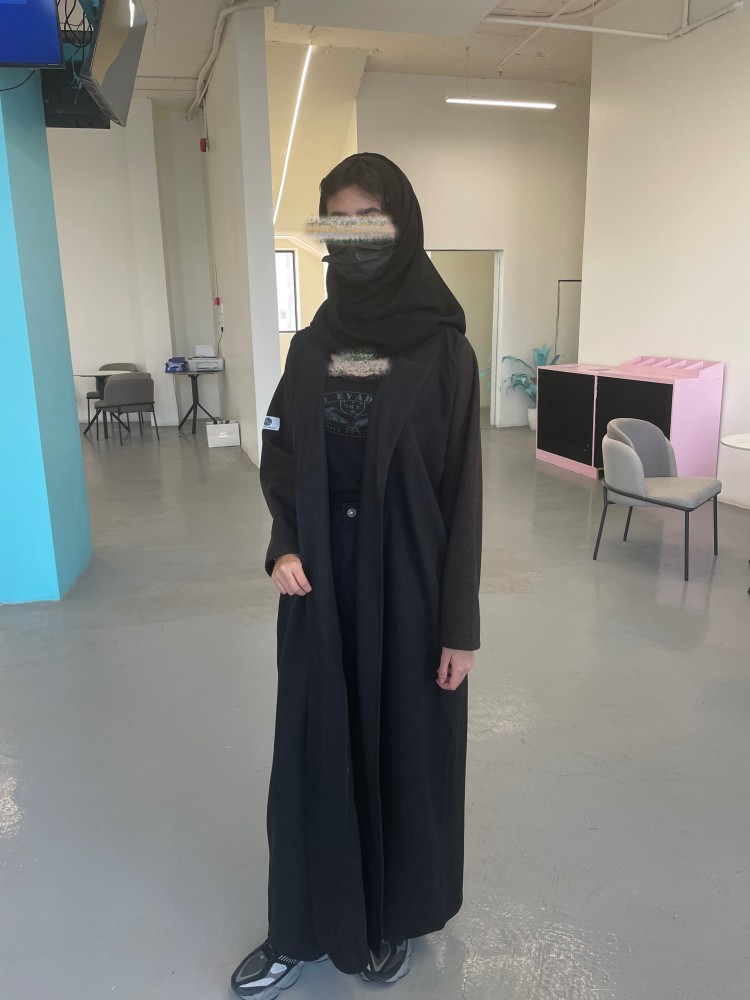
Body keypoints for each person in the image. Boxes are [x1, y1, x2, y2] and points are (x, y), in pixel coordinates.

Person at [230, 152, 483, 1000]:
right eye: (336, 222)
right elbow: (281, 452)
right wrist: (285, 544)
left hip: (408, 585)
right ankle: (297, 929)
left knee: (402, 749)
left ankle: (392, 918)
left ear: (401, 225)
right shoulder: (314, 347)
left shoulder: (445, 352)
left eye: (368, 218)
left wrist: (459, 627)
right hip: (320, 588)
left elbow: (463, 493)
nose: (353, 236)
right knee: (312, 751)